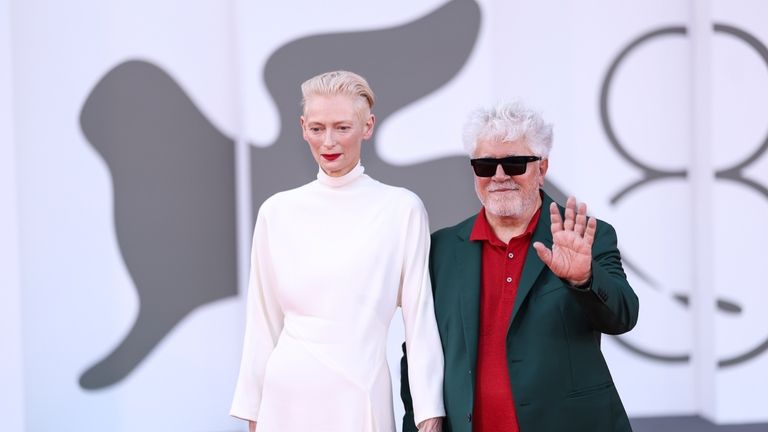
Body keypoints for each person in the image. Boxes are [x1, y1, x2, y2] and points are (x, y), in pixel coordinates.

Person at [401, 101, 639, 432]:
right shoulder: (440, 249)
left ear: (541, 169)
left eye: (514, 163)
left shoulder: (585, 236)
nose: (499, 176)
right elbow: (418, 349)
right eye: (485, 165)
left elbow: (623, 316)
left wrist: (584, 278)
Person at [230, 71, 445, 432]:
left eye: (342, 127)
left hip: (361, 397)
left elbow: (420, 321)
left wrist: (429, 415)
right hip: (284, 402)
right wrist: (254, 415)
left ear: (368, 126)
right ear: (302, 128)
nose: (328, 141)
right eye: (317, 128)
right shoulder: (276, 212)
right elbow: (261, 324)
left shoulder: (401, 209)